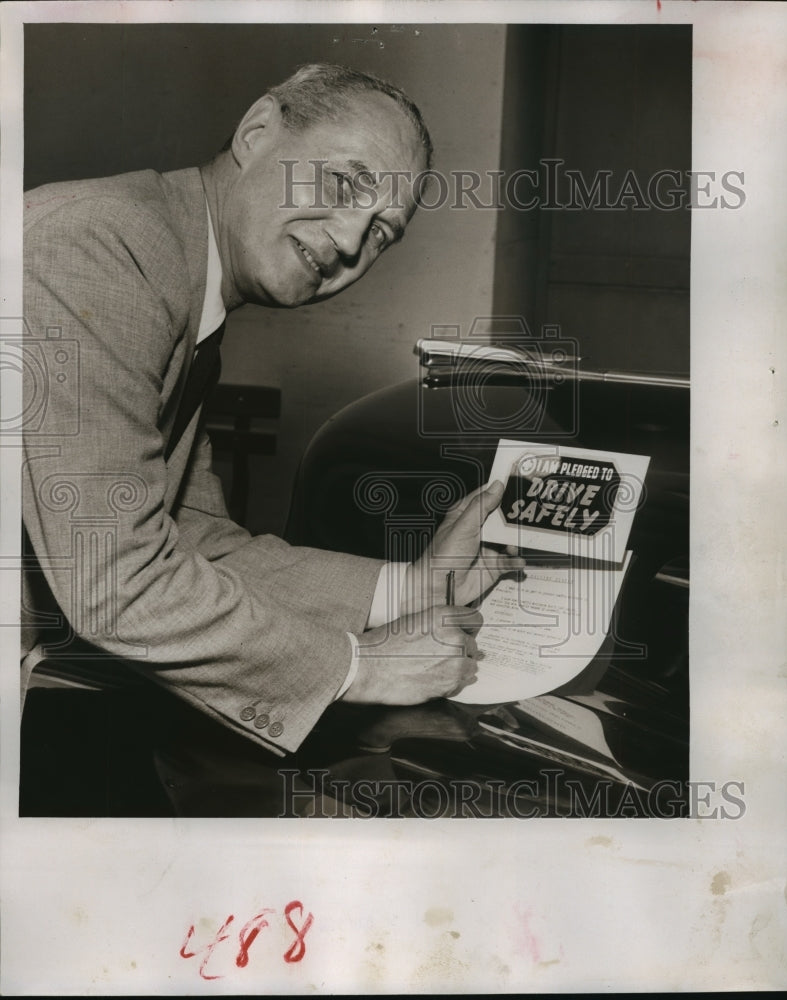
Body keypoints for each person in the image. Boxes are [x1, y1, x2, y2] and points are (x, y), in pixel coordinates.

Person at [21, 64, 523, 758]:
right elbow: (117, 582)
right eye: (344, 184)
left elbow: (193, 540)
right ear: (256, 131)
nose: (350, 241)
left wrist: (414, 587)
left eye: (382, 232)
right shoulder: (103, 246)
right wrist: (361, 668)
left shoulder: (180, 279)